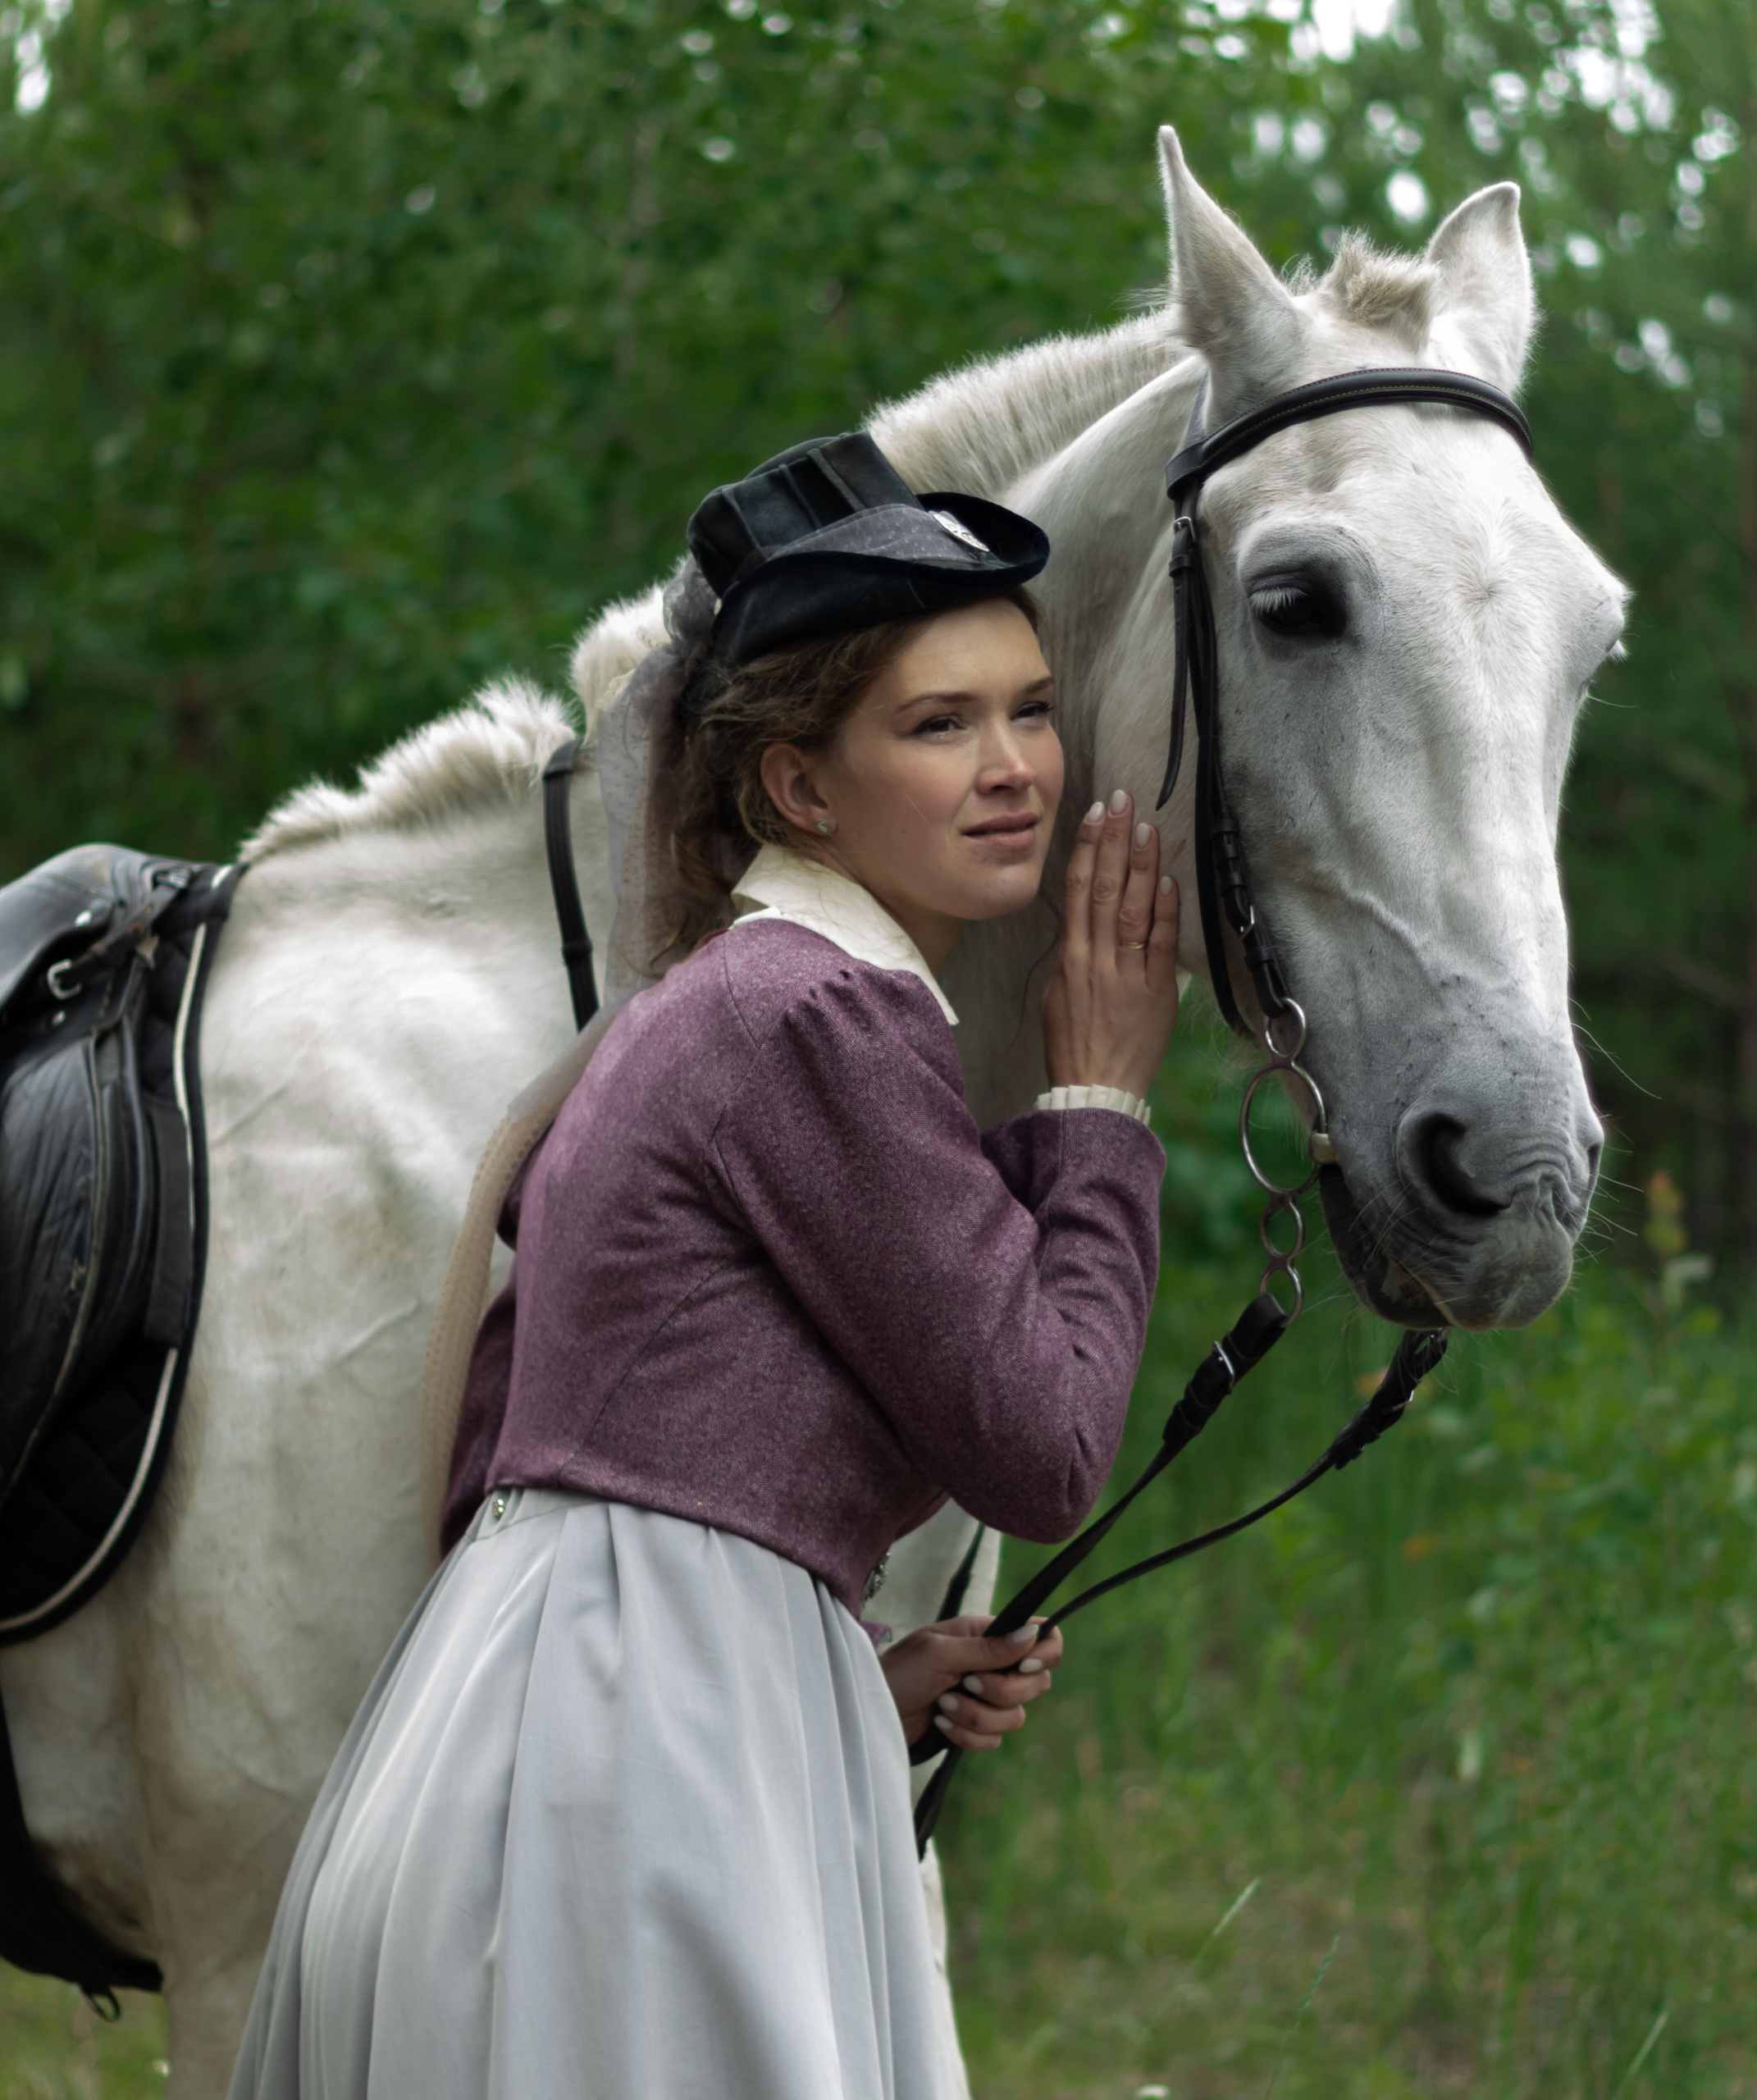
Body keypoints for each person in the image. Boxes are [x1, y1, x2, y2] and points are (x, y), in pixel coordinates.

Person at [229, 432, 1181, 2099]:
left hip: (552, 1752)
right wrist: (1096, 1096)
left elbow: (559, 1462)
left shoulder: (703, 1005)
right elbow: (1043, 1439)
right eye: (937, 724)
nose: (1013, 763)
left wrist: (821, 1678)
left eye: (1029, 706)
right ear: (800, 788)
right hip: (629, 1813)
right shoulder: (816, 1005)